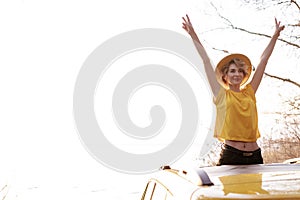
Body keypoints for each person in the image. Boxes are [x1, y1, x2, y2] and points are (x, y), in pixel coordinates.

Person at [182, 14, 285, 165]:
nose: (236, 74)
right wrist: (193, 34)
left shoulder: (249, 92)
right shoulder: (221, 94)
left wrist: (275, 36)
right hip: (232, 154)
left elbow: (263, 60)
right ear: (225, 76)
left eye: (239, 71)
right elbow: (205, 60)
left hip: (255, 154)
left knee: (258, 189)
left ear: (243, 75)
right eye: (232, 71)